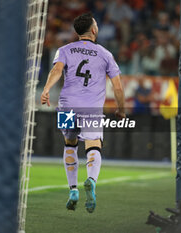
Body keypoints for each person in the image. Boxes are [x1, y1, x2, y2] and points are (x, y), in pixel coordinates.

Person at [40, 13, 125, 213]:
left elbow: (56, 71)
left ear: (77, 32)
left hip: (67, 105)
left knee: (70, 144)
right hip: (91, 108)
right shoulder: (105, 54)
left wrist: (45, 89)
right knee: (94, 144)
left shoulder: (64, 50)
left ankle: (72, 190)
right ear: (94, 30)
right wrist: (121, 109)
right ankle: (91, 180)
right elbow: (118, 88)